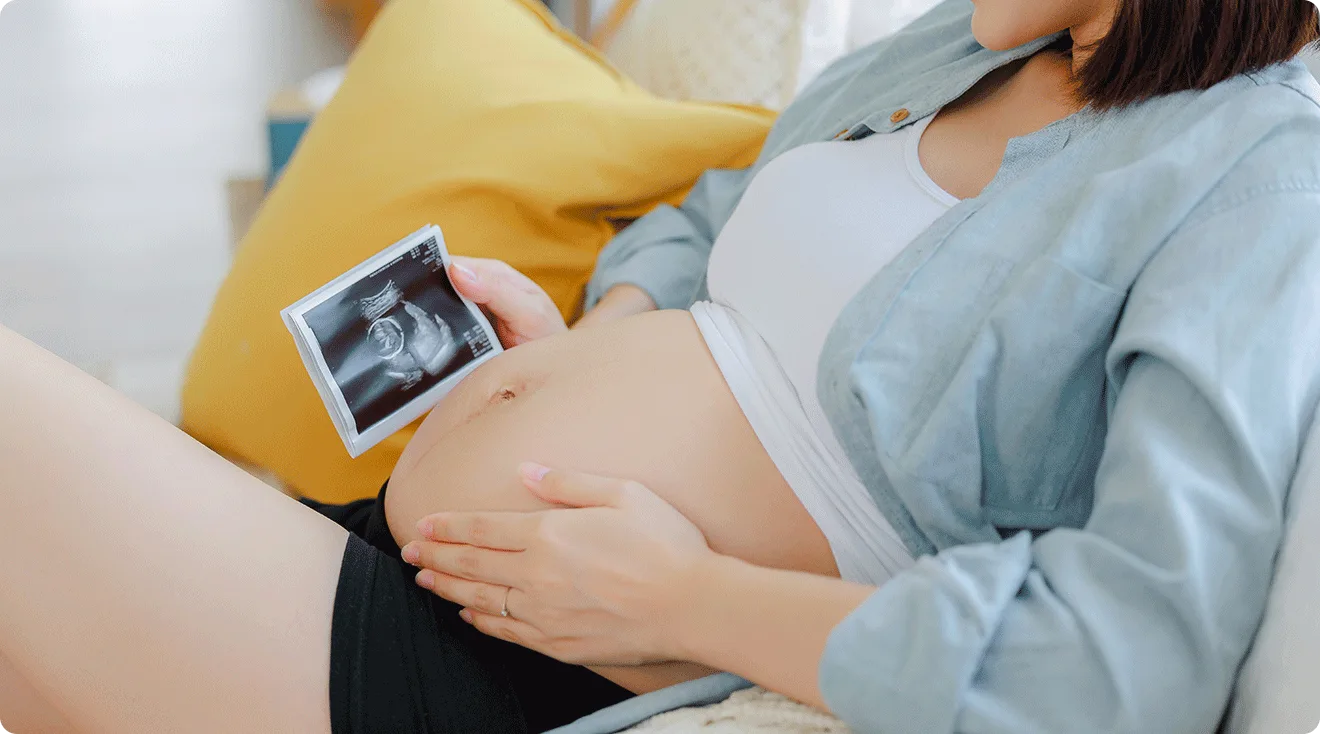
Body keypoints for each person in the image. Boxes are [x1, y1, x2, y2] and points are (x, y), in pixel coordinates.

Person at [2, 0, 1319, 732]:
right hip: (430, 567)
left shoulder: (1260, 179)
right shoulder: (973, 44)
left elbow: (1129, 658)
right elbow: (713, 210)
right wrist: (605, 336)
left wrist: (687, 594)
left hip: (528, 671)